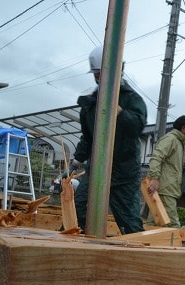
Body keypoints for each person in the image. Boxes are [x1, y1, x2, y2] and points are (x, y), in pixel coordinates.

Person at [72, 45, 147, 234]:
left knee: (128, 219)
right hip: (97, 166)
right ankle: (78, 247)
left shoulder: (131, 99)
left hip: (124, 170)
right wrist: (76, 161)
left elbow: (138, 127)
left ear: (118, 71)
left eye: (101, 73)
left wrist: (120, 112)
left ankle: (136, 255)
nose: (98, 77)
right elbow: (88, 136)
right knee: (78, 206)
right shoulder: (90, 103)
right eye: (96, 74)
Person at [145, 115, 185, 228]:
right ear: (184, 128)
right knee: (173, 225)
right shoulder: (171, 139)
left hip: (168, 189)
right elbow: (156, 157)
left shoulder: (177, 142)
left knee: (153, 222)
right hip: (166, 189)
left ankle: (142, 243)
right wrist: (154, 178)